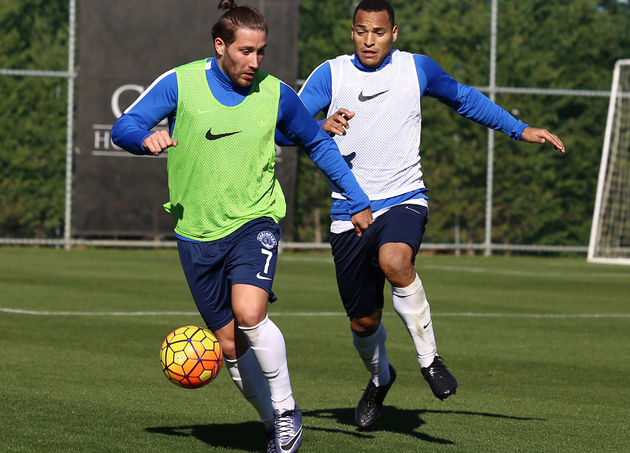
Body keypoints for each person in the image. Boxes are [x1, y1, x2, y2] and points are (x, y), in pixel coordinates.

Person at [276, 0, 565, 430]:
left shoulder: (416, 68)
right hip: (349, 211)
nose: (369, 40)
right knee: (363, 322)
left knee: (396, 261)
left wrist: (519, 128)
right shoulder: (330, 74)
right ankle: (380, 378)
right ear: (352, 32)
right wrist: (319, 127)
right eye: (361, 31)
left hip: (404, 197)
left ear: (394, 33)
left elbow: (465, 99)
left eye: (378, 32)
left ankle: (430, 360)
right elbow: (286, 128)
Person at [111, 1, 373, 451]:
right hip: (195, 232)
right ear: (220, 45)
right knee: (231, 346)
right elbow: (124, 126)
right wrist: (144, 138)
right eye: (245, 51)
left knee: (250, 315)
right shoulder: (181, 82)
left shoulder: (276, 93)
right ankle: (272, 421)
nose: (255, 61)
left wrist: (356, 197)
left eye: (261, 52)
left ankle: (287, 412)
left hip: (255, 219)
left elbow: (316, 142)